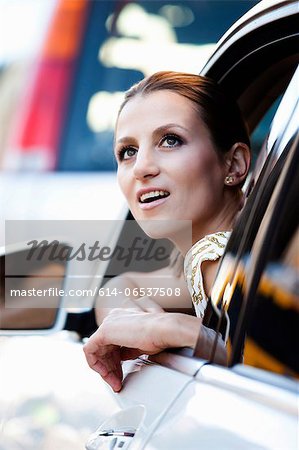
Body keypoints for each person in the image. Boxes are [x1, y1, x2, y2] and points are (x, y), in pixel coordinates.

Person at [84, 71, 251, 392]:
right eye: (127, 152)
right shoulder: (206, 261)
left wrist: (186, 332)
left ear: (233, 165)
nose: (142, 167)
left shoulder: (245, 263)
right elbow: (121, 284)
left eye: (170, 140)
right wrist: (138, 319)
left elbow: (277, 366)